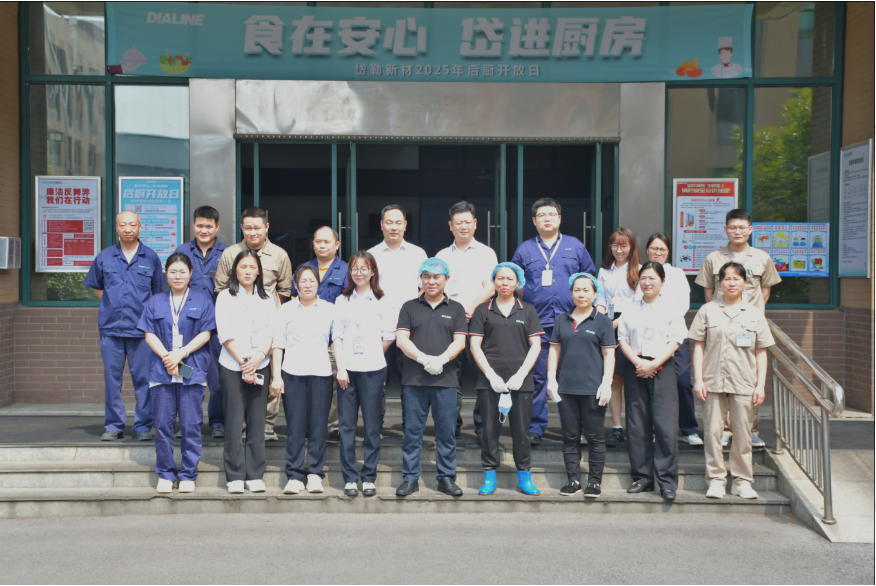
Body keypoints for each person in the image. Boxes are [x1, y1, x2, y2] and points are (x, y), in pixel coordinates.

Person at [511, 198, 596, 447]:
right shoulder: (525, 249)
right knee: (538, 377)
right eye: (541, 215)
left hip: (571, 322)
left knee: (570, 377)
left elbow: (589, 277)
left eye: (551, 214)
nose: (547, 218)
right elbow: (514, 281)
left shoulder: (575, 245)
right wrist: (530, 297)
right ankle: (535, 428)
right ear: (534, 221)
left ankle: (575, 429)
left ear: (559, 218)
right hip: (537, 323)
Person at [695, 209, 781, 448]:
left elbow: (765, 290)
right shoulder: (713, 258)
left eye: (742, 227)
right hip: (720, 326)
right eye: (733, 227)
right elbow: (709, 292)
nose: (737, 231)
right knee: (720, 376)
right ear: (726, 229)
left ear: (750, 230)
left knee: (749, 378)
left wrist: (752, 315)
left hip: (749, 327)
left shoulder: (762, 258)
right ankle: (723, 429)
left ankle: (749, 428)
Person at [689, 261, 775, 499]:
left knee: (743, 433)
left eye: (737, 278)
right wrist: (699, 379)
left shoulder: (755, 314)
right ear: (720, 283)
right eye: (727, 278)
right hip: (712, 380)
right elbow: (698, 347)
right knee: (713, 432)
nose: (732, 283)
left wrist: (760, 385)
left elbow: (761, 351)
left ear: (745, 283)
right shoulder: (707, 310)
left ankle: (742, 481)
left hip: (744, 381)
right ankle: (716, 480)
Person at [83, 211, 164, 442]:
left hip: (142, 331)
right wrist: (113, 304)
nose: (128, 229)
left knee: (144, 380)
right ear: (117, 228)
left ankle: (143, 426)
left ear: (140, 227)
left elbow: (157, 293)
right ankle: (114, 426)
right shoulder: (104, 256)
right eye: (123, 225)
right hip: (111, 329)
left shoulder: (151, 257)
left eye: (132, 225)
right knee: (112, 380)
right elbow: (99, 288)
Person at [138, 253, 215, 493]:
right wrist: (167, 357)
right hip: (162, 371)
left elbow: (206, 333)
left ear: (191, 274)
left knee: (191, 425)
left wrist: (180, 353)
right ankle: (166, 473)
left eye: (182, 272)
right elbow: (149, 334)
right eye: (173, 272)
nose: (178, 276)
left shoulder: (203, 300)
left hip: (192, 370)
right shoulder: (155, 302)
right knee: (163, 425)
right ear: (166, 275)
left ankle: (188, 474)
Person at [214, 206, 293, 442]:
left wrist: (269, 314)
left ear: (266, 227)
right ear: (241, 227)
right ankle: (240, 425)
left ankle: (266, 424)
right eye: (248, 227)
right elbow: (221, 287)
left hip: (268, 328)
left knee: (268, 378)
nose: (253, 232)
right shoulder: (230, 253)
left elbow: (284, 290)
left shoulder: (280, 254)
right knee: (237, 383)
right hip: (237, 329)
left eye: (257, 227)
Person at [394, 258, 467, 497]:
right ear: (421, 279)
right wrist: (424, 359)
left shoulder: (456, 308)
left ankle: (446, 477)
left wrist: (442, 360)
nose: (431, 281)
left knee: (446, 433)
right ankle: (410, 478)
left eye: (437, 277)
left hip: (446, 381)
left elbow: (460, 342)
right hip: (414, 380)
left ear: (447, 279)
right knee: (412, 433)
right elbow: (401, 340)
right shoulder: (409, 307)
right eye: (427, 276)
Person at [469, 262, 543, 495]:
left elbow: (536, 345)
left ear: (518, 282)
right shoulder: (483, 310)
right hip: (489, 380)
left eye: (510, 279)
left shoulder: (527, 310)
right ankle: (489, 476)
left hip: (521, 381)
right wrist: (489, 374)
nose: (504, 283)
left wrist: (522, 373)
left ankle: (524, 477)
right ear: (494, 281)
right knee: (490, 431)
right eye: (500, 278)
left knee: (521, 431)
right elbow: (474, 345)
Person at [618, 262, 688, 500]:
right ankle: (642, 478)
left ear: (662, 282)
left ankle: (667, 481)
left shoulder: (672, 309)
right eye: (643, 278)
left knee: (665, 425)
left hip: (663, 367)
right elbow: (623, 338)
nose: (647, 282)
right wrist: (638, 362)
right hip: (635, 367)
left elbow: (675, 340)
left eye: (652, 278)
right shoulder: (629, 308)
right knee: (637, 425)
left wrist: (654, 363)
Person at [333, 252, 397, 498]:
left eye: (364, 268)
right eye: (354, 269)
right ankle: (350, 478)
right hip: (346, 372)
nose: (359, 273)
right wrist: (341, 367)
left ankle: (369, 476)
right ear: (349, 272)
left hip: (373, 370)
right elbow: (337, 336)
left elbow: (388, 336)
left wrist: (371, 355)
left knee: (371, 427)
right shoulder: (342, 300)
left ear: (372, 272)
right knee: (347, 426)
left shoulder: (384, 300)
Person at [547, 273, 615, 498]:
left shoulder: (603, 321)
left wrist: (607, 382)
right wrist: (551, 378)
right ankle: (573, 480)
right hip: (567, 389)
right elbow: (554, 350)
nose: (581, 294)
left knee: (595, 437)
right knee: (570, 436)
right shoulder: (562, 319)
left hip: (593, 390)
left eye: (586, 290)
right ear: (571, 293)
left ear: (595, 294)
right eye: (577, 290)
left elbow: (609, 354)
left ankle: (594, 482)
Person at [215, 249, 276, 494]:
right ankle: (235, 475)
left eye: (252, 267)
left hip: (260, 363)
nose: (248, 271)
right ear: (235, 271)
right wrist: (244, 362)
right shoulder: (225, 297)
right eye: (243, 267)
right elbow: (225, 333)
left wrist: (258, 358)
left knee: (257, 422)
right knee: (233, 421)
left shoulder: (267, 297)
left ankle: (254, 474)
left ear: (259, 271)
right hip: (232, 365)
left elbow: (272, 332)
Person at [436, 201, 498, 441]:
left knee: (483, 372)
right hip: (447, 321)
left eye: (467, 222)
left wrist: (469, 308)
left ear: (475, 224)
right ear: (450, 226)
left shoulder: (486, 253)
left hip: (478, 320)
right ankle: (452, 425)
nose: (463, 226)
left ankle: (483, 427)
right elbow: (435, 288)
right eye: (458, 222)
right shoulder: (442, 255)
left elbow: (490, 287)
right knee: (451, 374)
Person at [271, 265, 336, 495]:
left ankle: (315, 474)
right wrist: (276, 376)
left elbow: (338, 340)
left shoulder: (329, 309)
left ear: (318, 284)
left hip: (321, 374)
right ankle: (295, 475)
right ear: (295, 285)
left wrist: (339, 367)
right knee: (295, 426)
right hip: (293, 373)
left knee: (318, 426)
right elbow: (278, 344)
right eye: (303, 281)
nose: (308, 285)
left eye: (312, 281)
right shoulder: (286, 309)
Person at [368, 204, 428, 432]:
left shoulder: (418, 254)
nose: (394, 227)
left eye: (398, 222)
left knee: (411, 380)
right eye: (389, 222)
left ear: (405, 225)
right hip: (378, 328)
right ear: (382, 225)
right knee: (377, 380)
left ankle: (410, 427)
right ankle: (376, 427)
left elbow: (426, 286)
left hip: (410, 328)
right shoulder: (371, 255)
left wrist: (415, 311)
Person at [290, 226, 349, 444]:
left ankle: (331, 426)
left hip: (332, 338)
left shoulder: (346, 270)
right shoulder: (303, 269)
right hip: (305, 337)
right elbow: (294, 300)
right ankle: (308, 423)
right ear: (313, 244)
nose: (322, 245)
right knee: (306, 381)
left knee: (331, 382)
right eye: (318, 242)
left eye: (327, 242)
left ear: (337, 244)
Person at [173, 205, 228, 439]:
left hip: (217, 327)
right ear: (193, 226)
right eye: (200, 225)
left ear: (217, 227)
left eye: (208, 226)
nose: (204, 230)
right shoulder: (182, 251)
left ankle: (218, 422)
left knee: (217, 379)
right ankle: (187, 423)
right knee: (186, 376)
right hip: (188, 326)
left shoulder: (227, 253)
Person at [642, 233, 701, 446]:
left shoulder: (677, 274)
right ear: (647, 250)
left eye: (662, 249)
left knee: (682, 380)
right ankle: (653, 429)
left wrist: (664, 321)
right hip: (648, 337)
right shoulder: (642, 272)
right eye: (654, 248)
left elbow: (683, 305)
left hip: (675, 335)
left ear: (668, 252)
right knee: (651, 384)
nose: (658, 252)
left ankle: (688, 429)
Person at [596, 227, 641, 448]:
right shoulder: (604, 271)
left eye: (624, 245)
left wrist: (614, 323)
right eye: (615, 245)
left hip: (632, 326)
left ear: (632, 247)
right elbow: (600, 298)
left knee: (632, 379)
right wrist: (602, 319)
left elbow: (639, 302)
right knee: (613, 379)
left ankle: (637, 427)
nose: (619, 250)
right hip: (608, 322)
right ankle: (616, 428)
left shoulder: (640, 270)